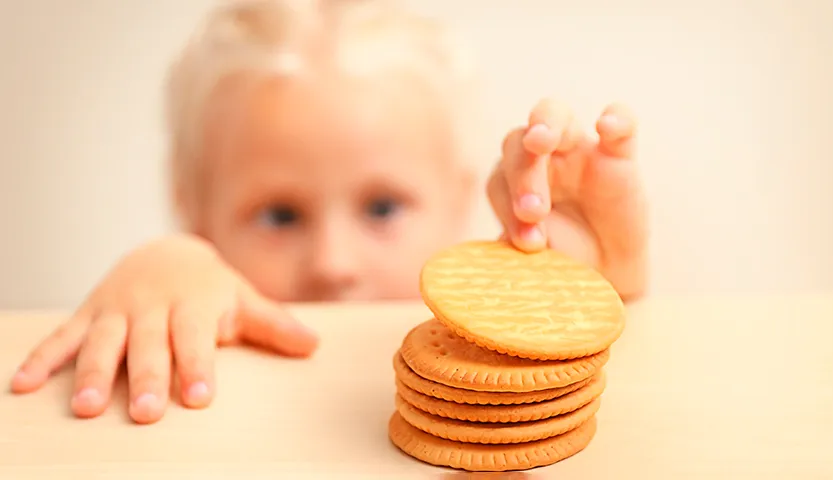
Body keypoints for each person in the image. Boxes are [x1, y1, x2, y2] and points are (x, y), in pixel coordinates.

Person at [8, 0, 648, 424]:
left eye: (382, 205)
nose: (333, 263)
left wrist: (594, 279)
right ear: (194, 208)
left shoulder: (479, 360)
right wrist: (162, 271)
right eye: (280, 215)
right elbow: (168, 294)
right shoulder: (193, 293)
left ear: (459, 196)